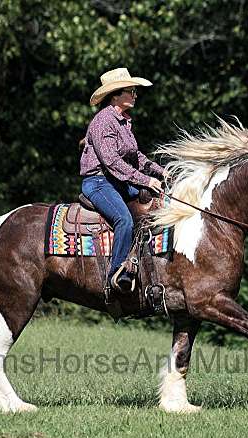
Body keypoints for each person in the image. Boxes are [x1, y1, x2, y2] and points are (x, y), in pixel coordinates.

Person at [80, 68, 164, 292]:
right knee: (124, 220)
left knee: (157, 203)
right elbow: (111, 162)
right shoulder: (103, 121)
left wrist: (161, 172)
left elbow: (136, 156)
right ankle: (116, 275)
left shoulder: (124, 122)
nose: (135, 95)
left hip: (117, 182)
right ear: (115, 95)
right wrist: (145, 181)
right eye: (131, 91)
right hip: (98, 182)